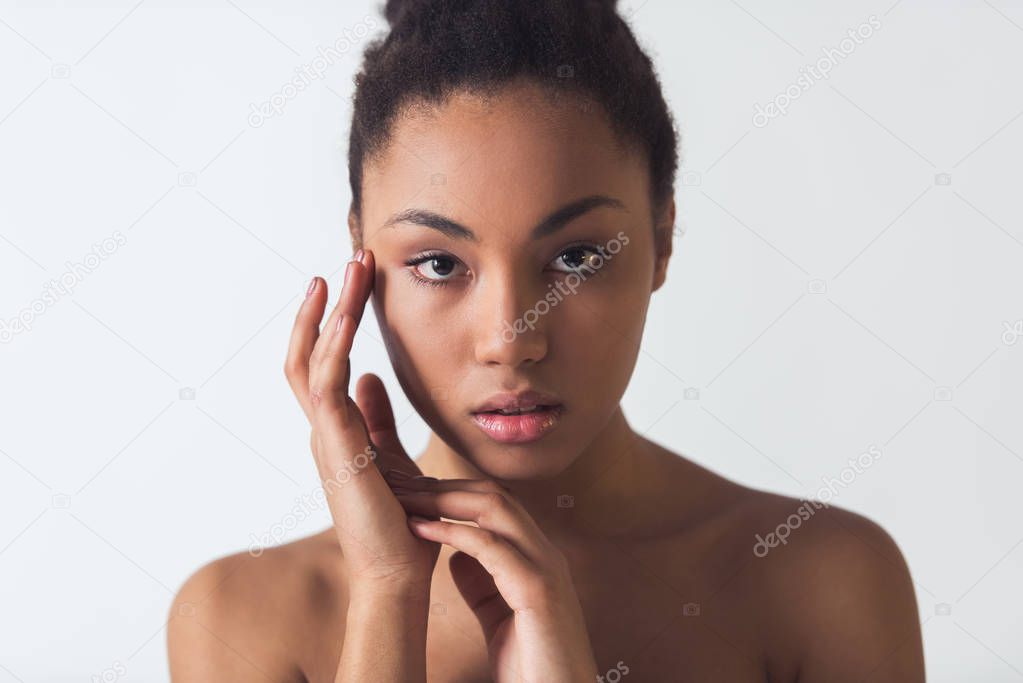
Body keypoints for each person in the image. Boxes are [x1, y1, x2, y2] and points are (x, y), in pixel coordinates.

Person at [168, 0, 925, 680]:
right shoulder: (241, 617)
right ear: (360, 256)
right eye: (438, 263)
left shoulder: (821, 581)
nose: (510, 339)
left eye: (575, 258)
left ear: (661, 240)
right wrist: (387, 598)